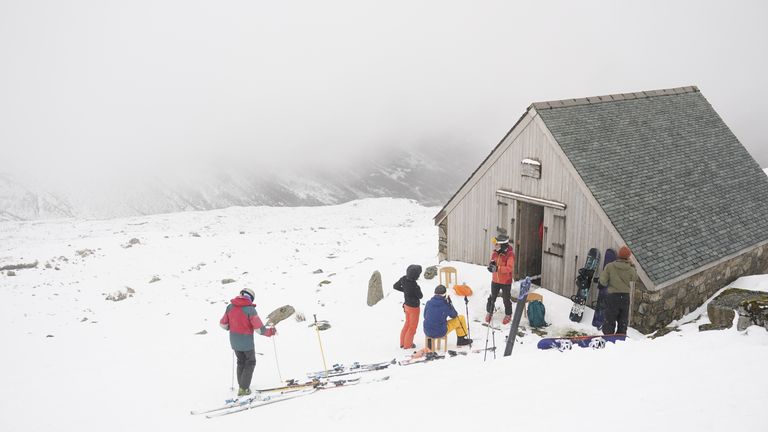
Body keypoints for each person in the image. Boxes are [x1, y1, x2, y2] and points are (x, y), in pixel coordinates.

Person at [219, 288, 276, 396]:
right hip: (247, 343)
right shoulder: (250, 310)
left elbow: (223, 324)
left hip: (234, 341)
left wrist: (231, 327)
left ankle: (242, 386)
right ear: (251, 298)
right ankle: (244, 388)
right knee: (250, 362)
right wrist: (270, 332)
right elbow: (260, 329)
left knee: (241, 362)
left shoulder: (230, 307)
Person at [599, 246, 638, 335]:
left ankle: (608, 337)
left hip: (612, 297)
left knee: (610, 318)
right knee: (623, 320)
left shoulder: (610, 266)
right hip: (624, 297)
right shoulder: (630, 269)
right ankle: (620, 337)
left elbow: (603, 281)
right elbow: (635, 278)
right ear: (628, 257)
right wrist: (632, 265)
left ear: (618, 255)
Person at [485, 234, 515, 325]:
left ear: (502, 245)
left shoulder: (510, 254)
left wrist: (497, 268)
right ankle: (489, 312)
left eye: (497, 244)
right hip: (495, 280)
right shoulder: (495, 252)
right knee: (492, 297)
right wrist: (491, 266)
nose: (495, 246)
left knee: (506, 299)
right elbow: (493, 262)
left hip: (506, 281)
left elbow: (509, 268)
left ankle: (508, 314)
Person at [393, 264, 424, 349]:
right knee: (412, 327)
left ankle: (402, 343)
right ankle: (408, 345)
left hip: (406, 306)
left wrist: (405, 291)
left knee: (407, 324)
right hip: (414, 308)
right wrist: (412, 290)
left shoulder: (403, 279)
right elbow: (420, 296)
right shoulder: (415, 286)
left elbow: (395, 286)